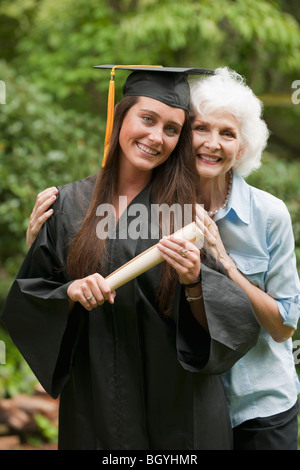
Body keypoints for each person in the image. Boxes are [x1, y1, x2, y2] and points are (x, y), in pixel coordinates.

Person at [1, 65, 259, 450]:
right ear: (121, 116)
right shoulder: (69, 205)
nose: (156, 137)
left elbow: (233, 323)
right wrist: (70, 293)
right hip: (97, 403)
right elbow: (31, 298)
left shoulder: (188, 216)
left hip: (178, 410)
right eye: (147, 119)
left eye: (171, 129)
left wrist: (194, 281)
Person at [188, 67, 300, 450]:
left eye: (227, 133)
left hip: (261, 408)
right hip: (191, 410)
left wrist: (226, 263)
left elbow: (284, 327)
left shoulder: (269, 215)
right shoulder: (159, 210)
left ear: (243, 147)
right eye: (200, 128)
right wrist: (39, 237)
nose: (212, 143)